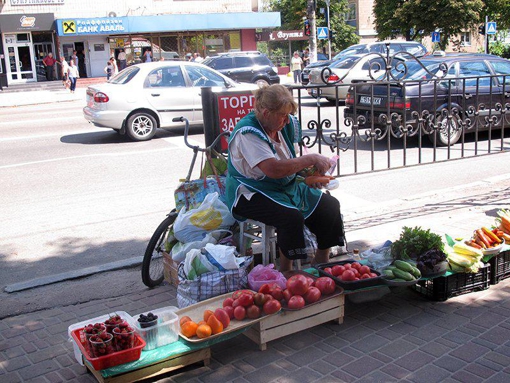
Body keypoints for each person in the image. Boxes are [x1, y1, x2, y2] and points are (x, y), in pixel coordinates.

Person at [225, 84, 345, 272]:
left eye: (288, 115)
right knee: (290, 216)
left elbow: (291, 163)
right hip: (251, 192)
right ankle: (287, 270)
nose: (287, 120)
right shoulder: (248, 133)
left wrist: (310, 176)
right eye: (283, 115)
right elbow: (273, 169)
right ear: (266, 113)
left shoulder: (284, 126)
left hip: (283, 186)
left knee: (330, 205)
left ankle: (321, 259)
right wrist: (311, 158)